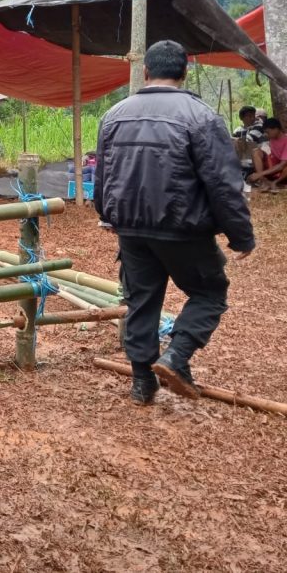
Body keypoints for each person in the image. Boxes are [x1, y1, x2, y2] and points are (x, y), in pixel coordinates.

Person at [94, 40, 254, 405]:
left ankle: (141, 382)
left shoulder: (115, 114)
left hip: (131, 228)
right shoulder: (202, 117)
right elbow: (223, 183)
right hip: (183, 227)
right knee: (210, 292)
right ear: (184, 73)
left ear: (146, 72)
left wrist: (109, 215)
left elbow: (102, 174)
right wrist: (241, 235)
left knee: (141, 300)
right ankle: (176, 356)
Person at [248, 117, 287, 190]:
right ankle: (264, 181)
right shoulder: (271, 138)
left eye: (268, 132)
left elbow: (282, 166)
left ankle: (275, 182)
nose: (266, 134)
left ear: (276, 129)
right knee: (256, 152)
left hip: (283, 171)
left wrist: (260, 174)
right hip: (274, 169)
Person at [233, 105, 266, 181]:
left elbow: (249, 139)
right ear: (242, 118)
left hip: (256, 159)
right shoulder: (237, 130)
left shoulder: (259, 126)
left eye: (253, 115)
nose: (252, 118)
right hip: (243, 160)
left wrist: (235, 140)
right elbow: (231, 142)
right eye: (249, 116)